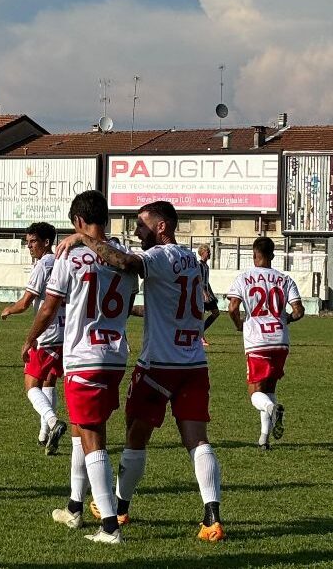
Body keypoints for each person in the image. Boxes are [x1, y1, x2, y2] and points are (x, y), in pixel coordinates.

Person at [56, 200, 225, 542]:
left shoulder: (159, 257)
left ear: (162, 226)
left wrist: (81, 238)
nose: (137, 232)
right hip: (193, 363)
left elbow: (122, 260)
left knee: (135, 434)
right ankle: (212, 517)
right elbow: (192, 303)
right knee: (197, 440)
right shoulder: (195, 260)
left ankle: (119, 507)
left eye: (143, 225)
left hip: (158, 366)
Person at [24, 191, 138, 544]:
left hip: (84, 355)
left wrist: (29, 338)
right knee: (82, 430)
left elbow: (48, 307)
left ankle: (109, 526)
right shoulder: (123, 256)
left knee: (92, 439)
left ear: (77, 222)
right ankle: (75, 508)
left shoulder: (71, 256)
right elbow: (129, 298)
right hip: (115, 354)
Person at [227, 237, 304, 450]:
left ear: (254, 255)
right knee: (269, 388)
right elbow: (299, 311)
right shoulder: (285, 279)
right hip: (280, 341)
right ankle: (263, 439)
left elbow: (232, 308)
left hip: (257, 341)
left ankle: (272, 408)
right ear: (272, 255)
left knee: (255, 393)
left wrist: (239, 325)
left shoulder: (244, 278)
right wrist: (283, 319)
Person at [1, 222, 67, 454]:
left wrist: (9, 309)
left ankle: (52, 422)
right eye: (27, 242)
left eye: (33, 242)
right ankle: (44, 436)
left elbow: (27, 301)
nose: (29, 246)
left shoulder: (43, 265)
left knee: (30, 386)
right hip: (65, 331)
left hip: (46, 334)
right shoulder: (63, 262)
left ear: (46, 242)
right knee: (49, 382)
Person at [197, 244, 219, 347]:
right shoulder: (199, 265)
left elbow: (207, 282)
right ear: (202, 253)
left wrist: (211, 294)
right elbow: (198, 281)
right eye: (208, 252)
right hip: (200, 295)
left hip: (207, 294)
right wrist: (204, 293)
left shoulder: (206, 266)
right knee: (200, 316)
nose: (210, 253)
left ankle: (199, 334)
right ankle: (201, 337)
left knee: (216, 313)